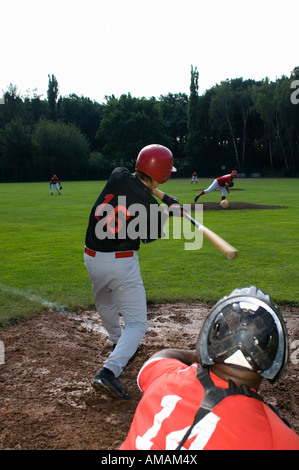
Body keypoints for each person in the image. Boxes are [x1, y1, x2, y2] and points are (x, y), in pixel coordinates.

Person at [120, 286, 299, 450]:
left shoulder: (165, 378)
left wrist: (195, 354)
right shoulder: (277, 437)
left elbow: (160, 357)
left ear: (209, 341)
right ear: (276, 356)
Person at [84, 144, 179, 400]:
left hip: (91, 257)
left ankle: (117, 341)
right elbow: (151, 235)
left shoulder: (118, 175)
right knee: (137, 324)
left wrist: (164, 198)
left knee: (105, 302)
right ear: (164, 174)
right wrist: (169, 212)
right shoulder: (149, 208)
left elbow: (142, 186)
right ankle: (109, 371)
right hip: (121, 263)